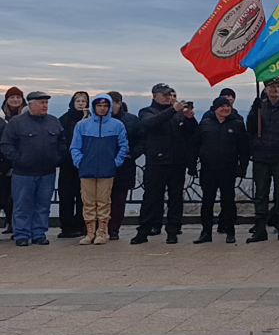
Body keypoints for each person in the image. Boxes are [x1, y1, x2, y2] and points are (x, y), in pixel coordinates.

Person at [132, 84, 197, 245]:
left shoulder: (178, 113)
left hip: (177, 162)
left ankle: (173, 231)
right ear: (154, 95)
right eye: (164, 95)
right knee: (151, 198)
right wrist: (173, 110)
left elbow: (192, 133)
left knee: (176, 199)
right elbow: (150, 124)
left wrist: (189, 118)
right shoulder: (147, 112)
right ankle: (144, 230)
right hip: (157, 162)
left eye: (170, 95)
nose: (168, 97)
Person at [0, 92, 61, 246]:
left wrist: (57, 158)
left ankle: (39, 234)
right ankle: (21, 235)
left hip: (47, 172)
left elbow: (62, 142)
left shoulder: (53, 121)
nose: (45, 106)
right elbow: (6, 145)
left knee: (43, 205)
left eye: (46, 103)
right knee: (22, 205)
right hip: (23, 173)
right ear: (31, 104)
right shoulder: (16, 123)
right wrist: (19, 160)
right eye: (41, 103)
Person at [245, 77, 279, 242]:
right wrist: (254, 112)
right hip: (261, 157)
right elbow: (251, 130)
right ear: (265, 90)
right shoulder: (259, 106)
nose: (275, 90)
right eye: (271, 87)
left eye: (278, 87)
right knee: (261, 194)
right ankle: (260, 230)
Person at [69, 94, 129, 245]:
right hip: (86, 169)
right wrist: (79, 162)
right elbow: (75, 146)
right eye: (99, 106)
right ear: (94, 107)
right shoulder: (82, 125)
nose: (102, 109)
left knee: (104, 202)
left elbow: (123, 146)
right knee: (88, 202)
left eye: (105, 106)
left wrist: (116, 162)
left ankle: (102, 232)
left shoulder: (117, 125)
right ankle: (89, 233)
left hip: (107, 169)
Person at [192, 96, 250, 244]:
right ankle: (206, 232)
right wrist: (192, 166)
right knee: (207, 202)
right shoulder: (205, 124)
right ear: (215, 109)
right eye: (222, 106)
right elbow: (194, 146)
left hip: (228, 169)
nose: (225, 109)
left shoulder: (237, 124)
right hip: (208, 169)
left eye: (227, 106)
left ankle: (230, 231)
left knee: (228, 202)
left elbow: (244, 149)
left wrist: (242, 168)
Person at [106, 92, 141, 240]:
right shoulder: (98, 120)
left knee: (119, 200)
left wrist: (132, 154)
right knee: (102, 199)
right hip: (103, 166)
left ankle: (114, 229)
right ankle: (100, 227)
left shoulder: (132, 120)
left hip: (124, 167)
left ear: (120, 103)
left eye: (114, 103)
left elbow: (141, 140)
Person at [56, 91, 90, 238]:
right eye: (78, 101)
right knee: (66, 197)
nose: (81, 104)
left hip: (85, 164)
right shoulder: (64, 119)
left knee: (84, 197)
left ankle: (82, 226)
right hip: (67, 164)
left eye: (84, 101)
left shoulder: (92, 120)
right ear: (72, 103)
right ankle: (67, 227)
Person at [0, 87, 24, 233]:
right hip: (4, 164)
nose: (15, 100)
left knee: (18, 198)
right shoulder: (3, 119)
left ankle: (18, 226)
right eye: (12, 98)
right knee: (5, 197)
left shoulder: (27, 117)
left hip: (22, 163)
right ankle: (10, 223)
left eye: (18, 97)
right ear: (6, 100)